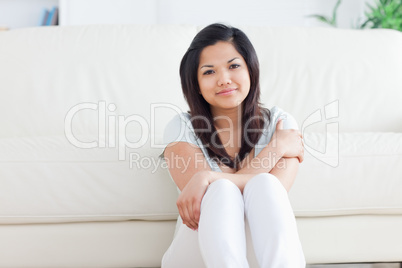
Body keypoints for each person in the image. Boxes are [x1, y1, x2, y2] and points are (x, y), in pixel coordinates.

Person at [161, 23, 306, 268]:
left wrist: (207, 176)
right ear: (195, 83)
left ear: (251, 69)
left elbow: (274, 195)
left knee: (265, 185)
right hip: (197, 254)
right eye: (209, 72)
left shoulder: (281, 124)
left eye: (234, 66)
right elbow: (211, 201)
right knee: (221, 192)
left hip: (262, 251)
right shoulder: (181, 127)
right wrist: (275, 150)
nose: (224, 80)